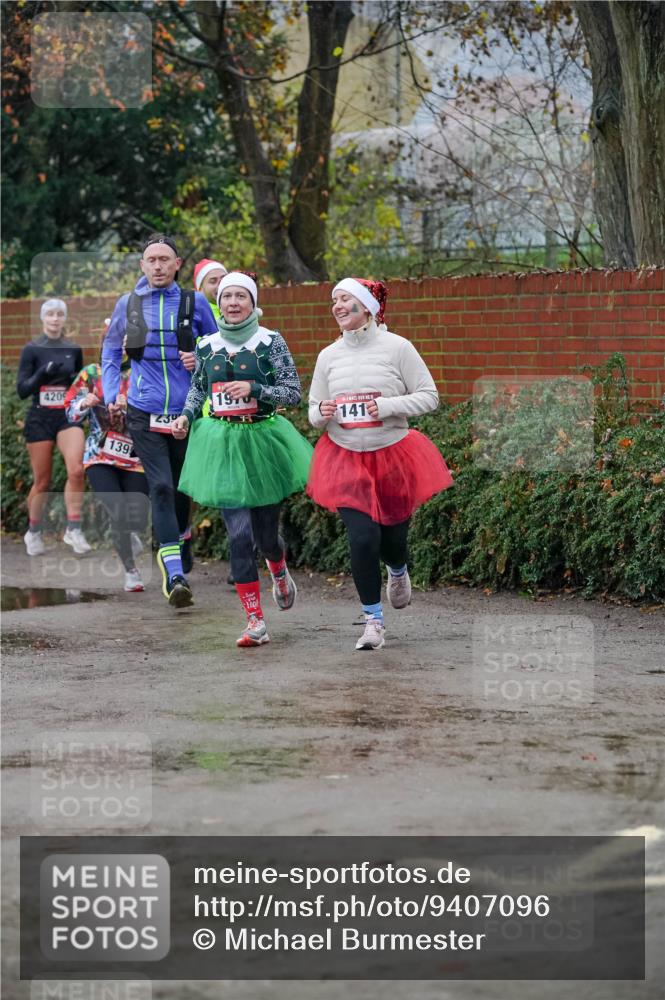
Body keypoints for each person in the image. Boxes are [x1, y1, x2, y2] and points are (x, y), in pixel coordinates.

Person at [307, 277, 454, 651]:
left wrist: (387, 406)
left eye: (346, 300)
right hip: (344, 456)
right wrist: (321, 413)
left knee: (392, 538)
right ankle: (373, 620)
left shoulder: (398, 348)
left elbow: (430, 396)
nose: (338, 307)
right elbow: (313, 409)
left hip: (391, 453)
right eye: (334, 301)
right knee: (362, 537)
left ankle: (398, 568)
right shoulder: (328, 356)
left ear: (367, 308)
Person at [172, 271, 313, 647]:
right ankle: (255, 621)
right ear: (219, 302)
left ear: (252, 303)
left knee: (265, 537)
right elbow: (198, 389)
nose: (233, 303)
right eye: (227, 296)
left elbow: (293, 392)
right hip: (221, 444)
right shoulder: (206, 344)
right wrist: (187, 416)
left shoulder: (270, 341)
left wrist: (254, 387)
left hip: (263, 441)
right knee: (238, 536)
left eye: (241, 296)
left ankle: (278, 566)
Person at [102, 234, 217, 608]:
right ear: (142, 266)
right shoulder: (129, 304)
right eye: (151, 260)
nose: (157, 266)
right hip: (142, 411)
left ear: (177, 264)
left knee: (183, 489)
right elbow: (108, 352)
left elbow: (219, 352)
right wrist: (109, 396)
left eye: (164, 259)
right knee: (162, 488)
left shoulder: (196, 302)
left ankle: (180, 540)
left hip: (186, 413)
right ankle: (175, 576)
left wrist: (201, 361)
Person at [64, 330, 150, 592]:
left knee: (136, 513)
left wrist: (133, 405)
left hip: (135, 457)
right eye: (116, 342)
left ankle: (131, 533)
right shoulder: (92, 373)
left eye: (126, 343)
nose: (121, 348)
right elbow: (70, 411)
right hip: (99, 456)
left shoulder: (143, 371)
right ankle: (131, 571)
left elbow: (159, 406)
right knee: (117, 509)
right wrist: (83, 403)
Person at [194, 255, 254, 587]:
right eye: (213, 282)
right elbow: (196, 381)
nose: (222, 289)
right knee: (230, 494)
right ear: (200, 288)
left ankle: (268, 550)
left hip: (256, 427)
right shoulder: (195, 326)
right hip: (215, 425)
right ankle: (241, 560)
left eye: (225, 280)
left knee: (255, 495)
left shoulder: (250, 320)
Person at [17, 298, 90, 556]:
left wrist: (81, 395)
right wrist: (42, 374)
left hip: (67, 416)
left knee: (77, 470)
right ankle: (34, 532)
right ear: (42, 318)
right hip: (39, 417)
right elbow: (22, 390)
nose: (55, 318)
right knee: (43, 481)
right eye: (50, 314)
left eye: (60, 314)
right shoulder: (32, 349)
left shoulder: (73, 348)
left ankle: (74, 528)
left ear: (65, 318)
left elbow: (80, 385)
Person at [193, 258, 227, 323]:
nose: (220, 285)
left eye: (223, 279)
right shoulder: (196, 316)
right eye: (213, 281)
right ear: (199, 289)